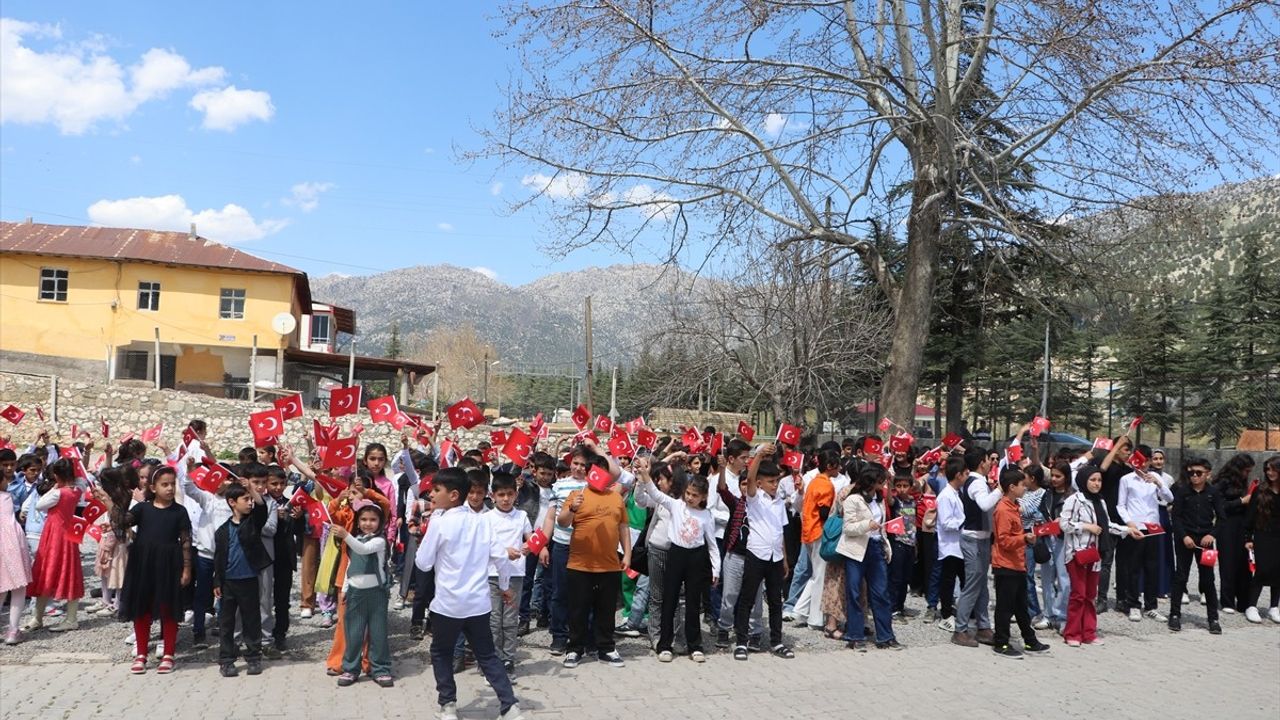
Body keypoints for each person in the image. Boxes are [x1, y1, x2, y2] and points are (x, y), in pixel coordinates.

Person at [415, 467, 524, 720]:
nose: (432, 494)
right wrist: (505, 586)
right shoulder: (482, 522)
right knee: (487, 655)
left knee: (441, 653)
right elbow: (501, 557)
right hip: (478, 603)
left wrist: (427, 539)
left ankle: (448, 705)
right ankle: (510, 706)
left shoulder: (440, 523)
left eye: (437, 490)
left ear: (453, 495)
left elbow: (423, 563)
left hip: (448, 604)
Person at [635, 455, 719, 663]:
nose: (690, 498)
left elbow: (712, 544)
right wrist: (645, 474)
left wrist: (716, 569)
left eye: (695, 495)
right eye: (688, 493)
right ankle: (665, 644)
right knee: (669, 599)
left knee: (692, 602)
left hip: (696, 558)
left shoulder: (706, 516)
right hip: (676, 554)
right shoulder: (675, 505)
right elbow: (655, 493)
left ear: (703, 497)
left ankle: (695, 645)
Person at [112, 466, 192, 674]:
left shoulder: (180, 512)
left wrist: (186, 569)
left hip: (169, 564)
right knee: (142, 608)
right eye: (164, 484)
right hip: (143, 563)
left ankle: (169, 653)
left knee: (168, 608)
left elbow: (185, 541)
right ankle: (141, 653)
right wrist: (113, 501)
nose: (170, 488)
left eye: (172, 484)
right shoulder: (142, 509)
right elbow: (121, 523)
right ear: (153, 487)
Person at [558, 449, 630, 669]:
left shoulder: (616, 498)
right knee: (578, 610)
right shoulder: (576, 495)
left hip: (609, 565)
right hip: (580, 565)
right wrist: (573, 508)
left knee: (606, 610)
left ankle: (606, 648)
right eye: (595, 472)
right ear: (588, 473)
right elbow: (562, 522)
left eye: (603, 472)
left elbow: (623, 527)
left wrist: (627, 554)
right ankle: (574, 649)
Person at [733, 444, 795, 661]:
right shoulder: (755, 497)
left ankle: (777, 641)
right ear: (760, 483)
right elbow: (750, 479)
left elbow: (780, 531)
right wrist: (758, 455)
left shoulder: (779, 503)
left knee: (776, 601)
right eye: (770, 481)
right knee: (747, 599)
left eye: (777, 481)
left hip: (775, 557)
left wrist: (784, 558)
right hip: (756, 554)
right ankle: (742, 642)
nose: (775, 485)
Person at [836, 464, 901, 651]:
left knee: (881, 593)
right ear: (872, 480)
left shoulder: (879, 499)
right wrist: (867, 525)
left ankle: (886, 635)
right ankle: (855, 635)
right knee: (854, 592)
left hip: (875, 547)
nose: (884, 483)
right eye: (881, 479)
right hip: (856, 550)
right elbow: (848, 527)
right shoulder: (853, 499)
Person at [331, 503, 394, 687]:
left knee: (378, 634)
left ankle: (380, 669)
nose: (368, 523)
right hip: (355, 593)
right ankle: (350, 669)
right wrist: (344, 589)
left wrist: (345, 535)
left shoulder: (379, 541)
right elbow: (350, 566)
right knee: (353, 634)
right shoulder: (355, 539)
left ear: (380, 522)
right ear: (358, 522)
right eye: (364, 519)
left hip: (376, 594)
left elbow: (363, 549)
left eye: (373, 520)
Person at [991, 468, 1051, 658]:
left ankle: (1030, 640)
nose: (1025, 488)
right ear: (1011, 487)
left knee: (1021, 606)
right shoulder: (1003, 510)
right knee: (1005, 607)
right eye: (1022, 485)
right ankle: (1001, 642)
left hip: (1017, 563)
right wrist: (1024, 538)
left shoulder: (1014, 506)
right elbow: (1004, 540)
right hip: (1005, 565)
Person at [213, 482, 271, 677]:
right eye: (245, 499)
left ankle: (254, 657)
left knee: (251, 620)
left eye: (250, 499)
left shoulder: (253, 522)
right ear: (232, 502)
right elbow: (219, 558)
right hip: (228, 582)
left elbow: (261, 507)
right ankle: (226, 660)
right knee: (226, 623)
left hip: (249, 579)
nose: (249, 502)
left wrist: (252, 489)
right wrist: (217, 582)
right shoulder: (222, 530)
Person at [1060, 464, 1118, 646]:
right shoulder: (1074, 500)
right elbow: (1064, 524)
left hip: (1095, 554)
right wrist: (1086, 527)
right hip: (1078, 554)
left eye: (1099, 480)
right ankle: (1072, 633)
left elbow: (1106, 525)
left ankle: (1089, 633)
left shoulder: (1100, 501)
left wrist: (1128, 530)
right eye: (1092, 480)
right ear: (1084, 480)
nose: (1096, 483)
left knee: (1090, 595)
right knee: (1078, 594)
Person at [1115, 444, 1173, 622]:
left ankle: (1151, 605)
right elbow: (1121, 505)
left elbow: (1170, 498)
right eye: (1137, 459)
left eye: (1144, 460)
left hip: (1153, 527)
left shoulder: (1156, 477)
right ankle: (1133, 604)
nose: (1140, 464)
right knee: (1133, 567)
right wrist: (1129, 523)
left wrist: (1158, 483)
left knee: (1152, 567)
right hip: (1136, 527)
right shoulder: (1126, 479)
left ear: (1148, 461)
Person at [25, 458, 83, 632]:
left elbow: (40, 505)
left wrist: (54, 487)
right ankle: (71, 617)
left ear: (56, 476)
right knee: (70, 572)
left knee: (45, 571)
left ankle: (38, 617)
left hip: (54, 535)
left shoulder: (58, 493)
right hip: (69, 534)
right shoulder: (77, 490)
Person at [1169, 457, 1225, 634]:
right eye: (1191, 473)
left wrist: (1211, 535)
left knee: (1208, 579)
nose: (1194, 476)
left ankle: (1213, 618)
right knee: (1181, 577)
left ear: (1207, 474)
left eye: (1199, 473)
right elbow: (1176, 517)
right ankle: (1174, 615)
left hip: (1206, 542)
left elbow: (1222, 518)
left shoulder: (1214, 493)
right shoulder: (1182, 491)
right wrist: (1184, 536)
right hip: (1185, 540)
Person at [485, 472, 532, 674]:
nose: (505, 499)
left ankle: (508, 658)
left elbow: (530, 537)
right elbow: (482, 545)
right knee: (494, 618)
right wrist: (504, 552)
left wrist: (530, 546)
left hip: (514, 575)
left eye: (510, 494)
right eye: (501, 495)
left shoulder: (521, 516)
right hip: (492, 574)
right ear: (493, 495)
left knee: (510, 619)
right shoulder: (486, 518)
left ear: (516, 494)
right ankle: (493, 657)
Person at [953, 446, 1001, 647]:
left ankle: (983, 627)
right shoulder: (977, 483)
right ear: (982, 462)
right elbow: (984, 504)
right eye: (989, 459)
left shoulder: (977, 481)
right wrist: (1000, 489)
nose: (991, 463)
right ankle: (960, 630)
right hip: (973, 539)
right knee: (973, 585)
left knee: (982, 586)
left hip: (981, 538)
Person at [794, 450, 839, 630]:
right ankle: (815, 619)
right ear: (830, 466)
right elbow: (824, 512)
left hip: (808, 531)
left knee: (816, 575)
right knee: (820, 576)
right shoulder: (826, 485)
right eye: (837, 465)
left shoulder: (814, 481)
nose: (839, 468)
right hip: (819, 531)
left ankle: (800, 611)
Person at [1213, 453, 1256, 613]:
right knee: (1228, 562)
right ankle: (1227, 601)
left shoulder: (1243, 482)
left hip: (1242, 524)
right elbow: (1218, 505)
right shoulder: (1222, 482)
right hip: (1227, 525)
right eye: (1246, 470)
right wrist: (1241, 501)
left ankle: (1244, 601)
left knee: (1244, 562)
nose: (1247, 474)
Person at [1037, 462, 1073, 631]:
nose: (1054, 479)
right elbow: (1040, 512)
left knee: (1064, 580)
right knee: (1047, 580)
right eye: (1052, 475)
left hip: (1064, 540)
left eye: (1058, 476)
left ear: (1066, 477)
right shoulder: (1047, 494)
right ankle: (1048, 615)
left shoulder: (1072, 496)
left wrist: (1063, 521)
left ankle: (1062, 616)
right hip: (1047, 537)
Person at [1244, 456, 1280, 624]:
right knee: (1261, 570)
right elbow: (1250, 515)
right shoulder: (1260, 490)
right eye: (1268, 469)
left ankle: (1274, 607)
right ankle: (1252, 606)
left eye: (1273, 469)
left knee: (1278, 571)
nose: (1270, 473)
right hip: (1263, 535)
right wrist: (1248, 537)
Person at [0, 463, 34, 645]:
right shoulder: (6, 497)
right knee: (18, 588)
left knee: (1, 588)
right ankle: (13, 630)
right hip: (11, 544)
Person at [934, 455, 967, 632]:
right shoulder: (946, 496)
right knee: (948, 581)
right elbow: (946, 523)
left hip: (960, 546)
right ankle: (946, 615)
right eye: (965, 473)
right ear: (958, 475)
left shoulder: (957, 493)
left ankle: (966, 613)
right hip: (950, 547)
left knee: (965, 580)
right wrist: (965, 521)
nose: (967, 476)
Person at [887, 473, 917, 622]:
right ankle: (893, 609)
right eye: (899, 486)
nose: (902, 489)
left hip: (911, 543)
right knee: (896, 577)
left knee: (906, 577)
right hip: (898, 542)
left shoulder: (913, 502)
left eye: (905, 486)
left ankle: (900, 605)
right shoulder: (896, 502)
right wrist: (889, 482)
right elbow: (889, 499)